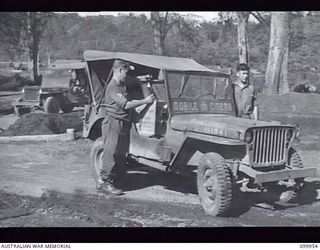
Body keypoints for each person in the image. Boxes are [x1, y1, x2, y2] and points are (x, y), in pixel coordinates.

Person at [97, 59, 155, 195]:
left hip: (122, 122)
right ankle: (104, 183)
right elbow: (126, 104)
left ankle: (114, 180)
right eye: (126, 72)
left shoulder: (121, 86)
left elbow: (129, 101)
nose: (127, 75)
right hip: (113, 122)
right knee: (111, 152)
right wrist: (145, 101)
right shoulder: (113, 87)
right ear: (120, 70)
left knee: (120, 153)